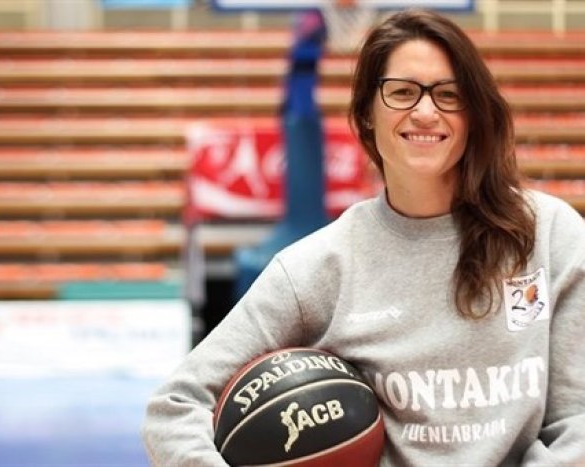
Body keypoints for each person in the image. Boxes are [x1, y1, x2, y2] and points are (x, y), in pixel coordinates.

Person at [142, 9, 585, 466]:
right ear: (367, 115)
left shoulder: (548, 235)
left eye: (449, 95)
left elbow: (578, 417)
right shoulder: (320, 266)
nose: (427, 111)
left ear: (473, 113)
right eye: (403, 92)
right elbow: (174, 406)